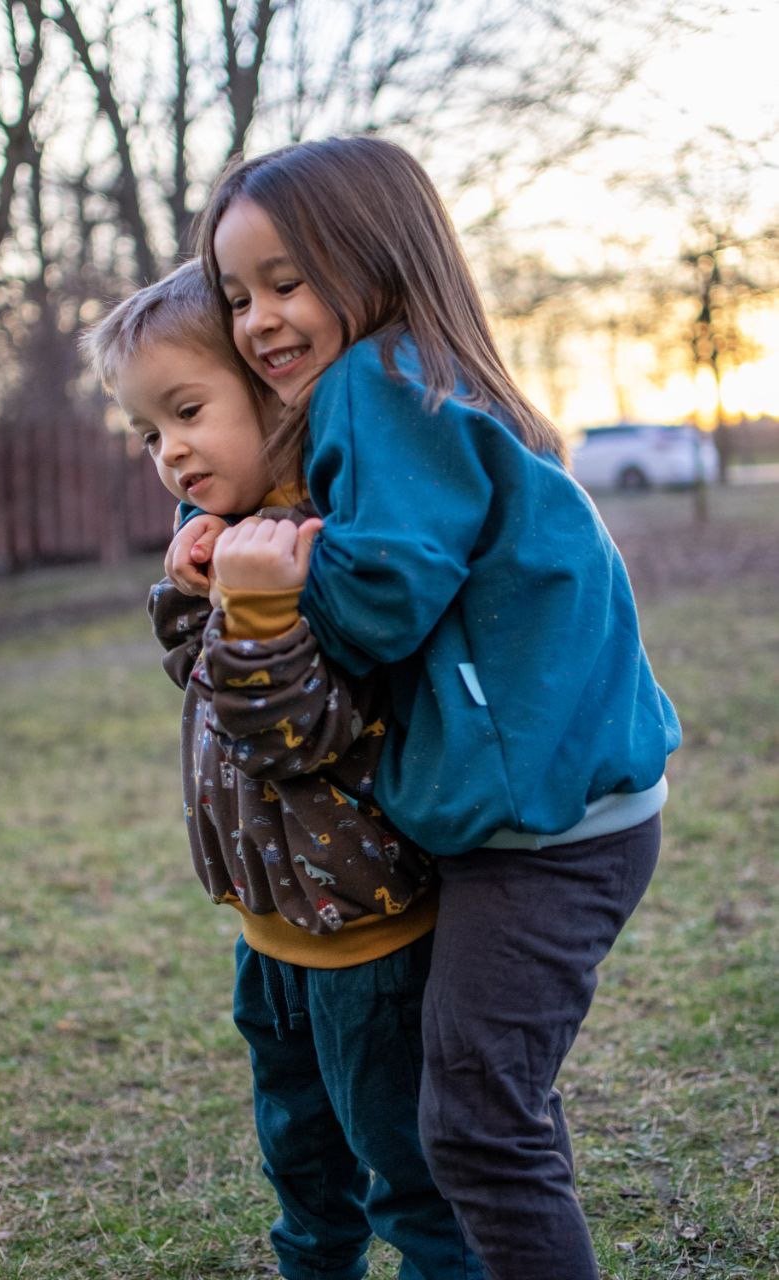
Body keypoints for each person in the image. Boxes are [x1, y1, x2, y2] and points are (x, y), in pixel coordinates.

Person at [165, 137, 683, 1280]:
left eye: (287, 281)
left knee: (479, 1129)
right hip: (552, 809)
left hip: (545, 831)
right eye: (238, 295)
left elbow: (384, 598)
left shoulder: (379, 382)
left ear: (379, 258)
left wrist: (273, 576)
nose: (259, 319)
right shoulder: (425, 379)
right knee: (483, 1112)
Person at [81, 259, 483, 1280]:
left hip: (370, 934)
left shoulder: (331, 546)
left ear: (277, 394)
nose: (170, 450)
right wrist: (194, 588)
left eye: (187, 411)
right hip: (270, 929)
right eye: (147, 432)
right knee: (300, 1160)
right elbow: (202, 678)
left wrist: (256, 601)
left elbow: (297, 734)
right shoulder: (234, 539)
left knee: (411, 1178)